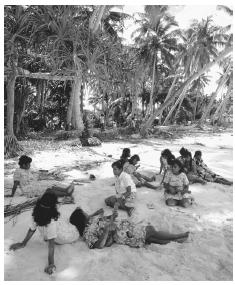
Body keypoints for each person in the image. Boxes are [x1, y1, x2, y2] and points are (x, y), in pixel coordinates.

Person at [9, 192, 80, 275]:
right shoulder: (41, 215)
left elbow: (51, 245)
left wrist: (51, 263)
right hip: (55, 232)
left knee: (71, 225)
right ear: (53, 206)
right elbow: (32, 229)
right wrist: (23, 243)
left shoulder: (42, 216)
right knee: (72, 217)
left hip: (66, 237)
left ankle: (78, 218)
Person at [70, 206, 190, 249]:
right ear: (81, 218)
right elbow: (98, 246)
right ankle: (177, 236)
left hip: (124, 227)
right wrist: (106, 231)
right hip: (123, 233)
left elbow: (104, 220)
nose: (86, 213)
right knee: (150, 230)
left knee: (150, 238)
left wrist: (112, 215)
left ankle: (175, 240)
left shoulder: (91, 220)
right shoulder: (87, 233)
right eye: (84, 213)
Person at [10, 155, 75, 201]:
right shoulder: (18, 172)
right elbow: (15, 184)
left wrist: (44, 172)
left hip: (33, 185)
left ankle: (65, 190)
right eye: (29, 164)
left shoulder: (27, 169)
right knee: (48, 190)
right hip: (28, 190)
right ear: (24, 165)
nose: (30, 165)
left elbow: (36, 172)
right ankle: (66, 194)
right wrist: (12, 195)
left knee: (50, 185)